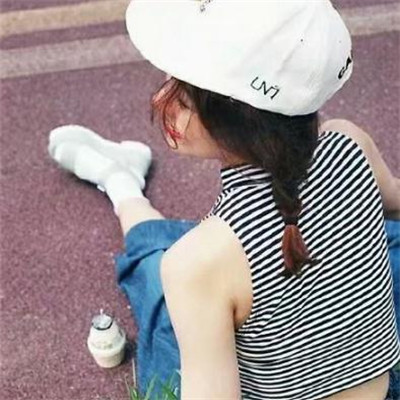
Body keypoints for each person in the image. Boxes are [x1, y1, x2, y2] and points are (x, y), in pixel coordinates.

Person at [48, 1, 400, 399]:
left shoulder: (198, 263)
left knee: (164, 295)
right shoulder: (351, 142)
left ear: (240, 120)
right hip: (381, 385)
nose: (162, 96)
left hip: (215, 270)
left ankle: (122, 185)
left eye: (183, 97)